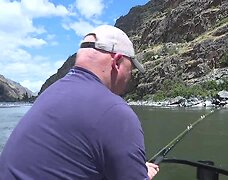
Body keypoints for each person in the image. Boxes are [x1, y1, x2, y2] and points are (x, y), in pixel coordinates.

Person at [0, 25, 159, 179]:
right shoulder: (116, 111)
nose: (130, 76)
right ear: (117, 62)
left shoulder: (51, 92)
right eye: (130, 68)